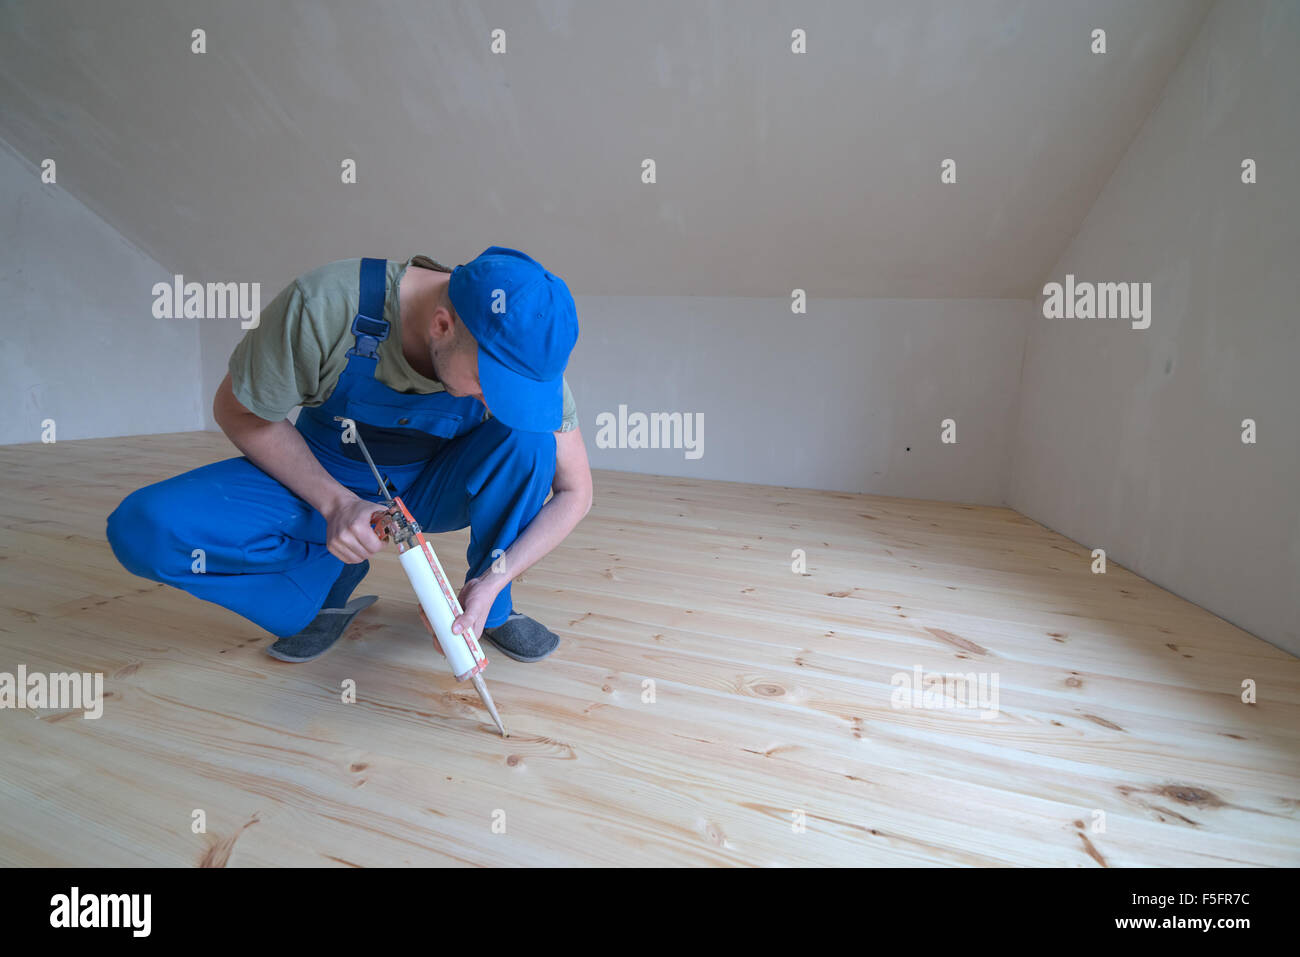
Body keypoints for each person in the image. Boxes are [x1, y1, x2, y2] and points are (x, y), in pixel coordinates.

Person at [107, 247, 592, 663]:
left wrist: (491, 580)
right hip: (319, 477)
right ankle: (322, 583)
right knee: (142, 527)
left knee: (528, 440)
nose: (496, 403)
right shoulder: (323, 306)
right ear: (442, 326)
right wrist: (335, 504)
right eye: (490, 387)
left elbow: (575, 492)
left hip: (429, 490)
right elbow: (236, 411)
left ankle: (489, 607)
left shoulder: (522, 349)